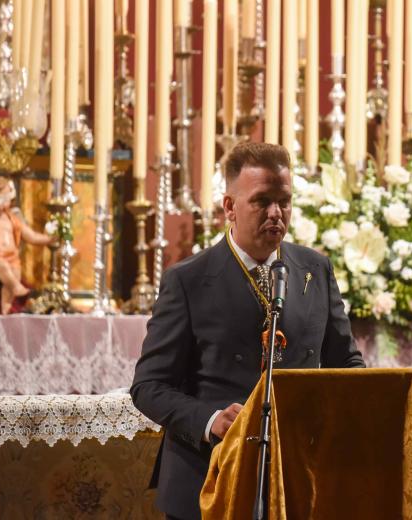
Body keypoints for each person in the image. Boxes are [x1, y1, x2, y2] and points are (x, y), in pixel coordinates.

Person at [131, 142, 365, 520]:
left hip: (299, 479)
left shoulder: (315, 269)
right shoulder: (187, 280)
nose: (276, 214)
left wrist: (363, 399)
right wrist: (212, 419)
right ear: (229, 208)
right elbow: (149, 387)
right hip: (209, 477)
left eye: (284, 201)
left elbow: (346, 362)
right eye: (261, 201)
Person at [0, 177, 54, 314]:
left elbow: (32, 236)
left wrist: (50, 239)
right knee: (2, 267)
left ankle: (5, 308)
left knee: (14, 272)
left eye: (3, 201)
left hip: (12, 258)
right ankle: (16, 287)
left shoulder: (12, 219)